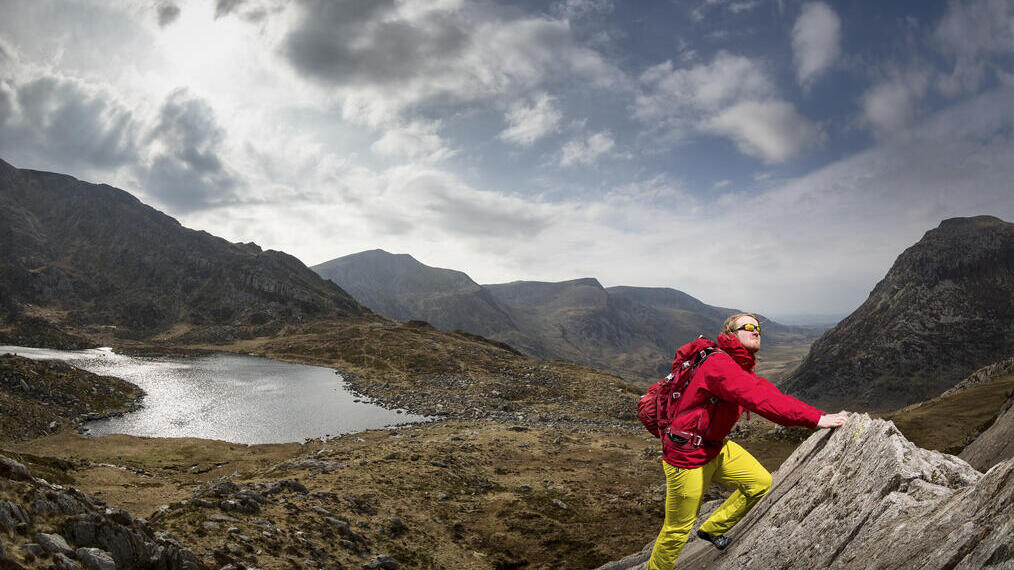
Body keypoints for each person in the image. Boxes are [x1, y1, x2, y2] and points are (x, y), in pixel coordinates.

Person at [647, 313, 848, 569]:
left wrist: (814, 413)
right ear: (732, 334)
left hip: (714, 447)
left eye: (758, 327)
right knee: (676, 530)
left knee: (759, 483)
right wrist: (817, 418)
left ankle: (711, 529)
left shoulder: (738, 365)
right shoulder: (720, 364)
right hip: (686, 455)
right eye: (748, 327)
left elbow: (767, 392)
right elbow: (761, 400)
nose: (756, 331)